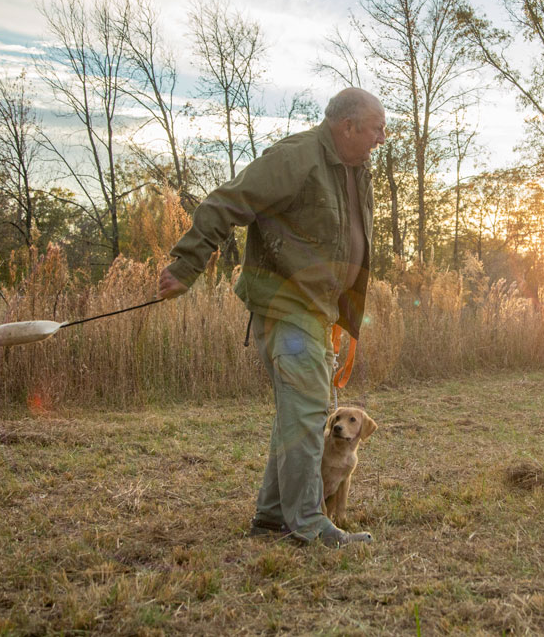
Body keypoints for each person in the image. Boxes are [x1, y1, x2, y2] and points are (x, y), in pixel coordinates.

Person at [157, 88, 386, 547]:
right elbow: (228, 200)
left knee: (298, 416)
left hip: (316, 312)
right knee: (306, 415)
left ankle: (271, 516)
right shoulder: (297, 158)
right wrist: (187, 264)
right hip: (285, 304)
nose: (382, 138)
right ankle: (305, 523)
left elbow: (344, 249)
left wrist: (343, 319)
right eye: (376, 129)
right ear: (348, 127)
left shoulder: (355, 172)